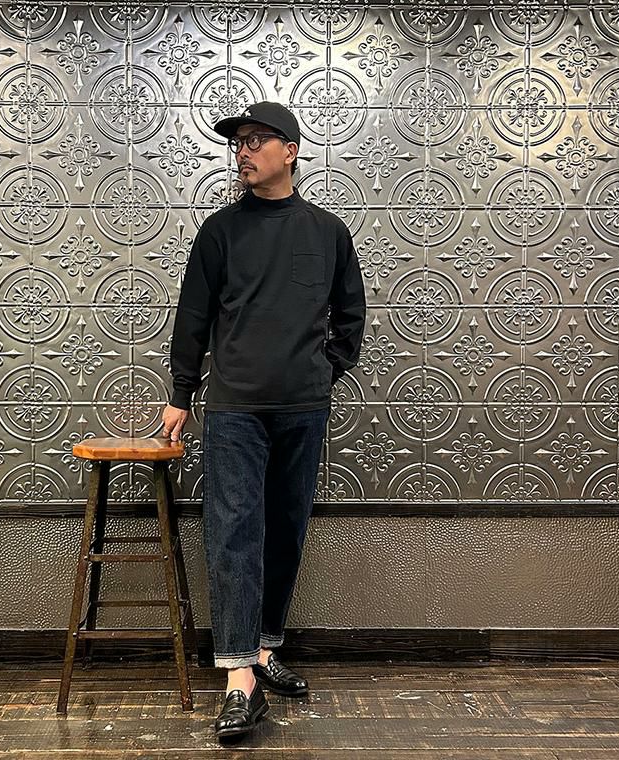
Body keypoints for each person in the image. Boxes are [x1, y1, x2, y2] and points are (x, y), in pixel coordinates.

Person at [161, 101, 366, 741]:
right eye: (238, 143)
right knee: (233, 533)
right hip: (234, 409)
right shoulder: (220, 232)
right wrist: (181, 392)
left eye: (255, 140)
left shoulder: (327, 232)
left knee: (285, 530)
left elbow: (350, 316)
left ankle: (264, 647)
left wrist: (322, 371)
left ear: (290, 151)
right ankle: (238, 680)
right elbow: (193, 316)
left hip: (303, 406)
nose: (243, 152)